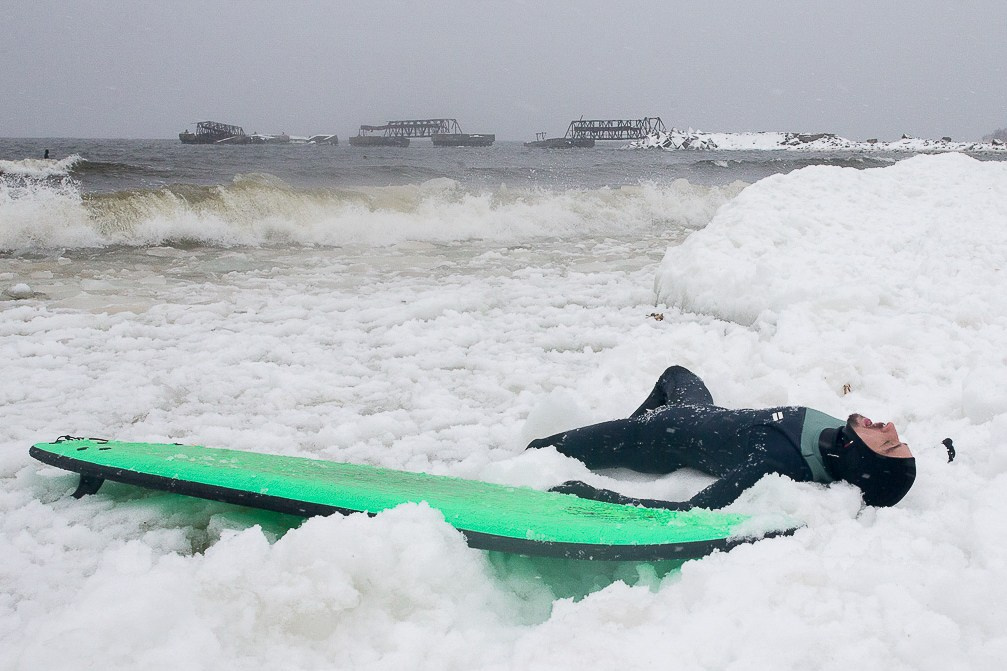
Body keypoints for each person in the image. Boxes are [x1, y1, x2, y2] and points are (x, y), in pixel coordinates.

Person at [527, 366, 916, 510]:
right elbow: (889, 476)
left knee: (542, 451)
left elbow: (689, 513)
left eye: (888, 443)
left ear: (856, 456)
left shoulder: (775, 461)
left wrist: (596, 497)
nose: (892, 429)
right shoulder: (839, 435)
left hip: (656, 437)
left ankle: (621, 438)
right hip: (700, 410)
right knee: (675, 373)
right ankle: (618, 432)